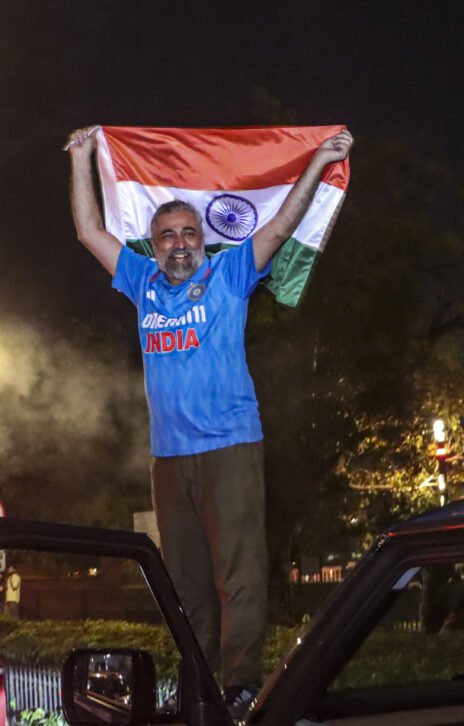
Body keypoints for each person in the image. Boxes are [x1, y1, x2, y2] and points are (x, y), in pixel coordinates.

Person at [68, 124, 353, 717]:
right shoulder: (140, 282)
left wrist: (320, 161)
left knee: (239, 575)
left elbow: (280, 224)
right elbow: (88, 231)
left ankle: (242, 682)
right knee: (187, 587)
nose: (178, 243)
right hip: (169, 457)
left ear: (203, 241)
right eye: (167, 234)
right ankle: (199, 684)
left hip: (230, 446)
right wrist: (83, 156)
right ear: (152, 244)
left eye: (188, 234)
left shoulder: (229, 275)